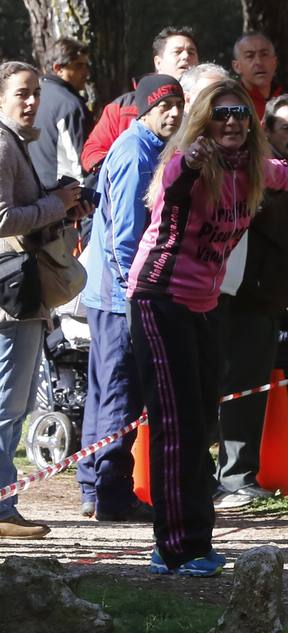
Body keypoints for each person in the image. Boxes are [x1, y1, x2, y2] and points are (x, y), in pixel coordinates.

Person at [125, 79, 288, 576]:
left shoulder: (249, 170)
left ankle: (190, 541)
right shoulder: (188, 165)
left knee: (202, 417)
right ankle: (176, 546)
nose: (233, 122)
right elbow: (174, 179)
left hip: (204, 304)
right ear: (204, 120)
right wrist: (192, 149)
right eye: (222, 113)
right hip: (159, 302)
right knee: (177, 425)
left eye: (241, 115)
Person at [76, 74, 184, 522]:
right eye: (165, 106)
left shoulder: (146, 148)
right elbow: (125, 237)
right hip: (120, 295)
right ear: (144, 110)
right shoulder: (136, 153)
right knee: (120, 394)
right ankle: (111, 494)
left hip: (110, 292)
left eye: (179, 105)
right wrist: (137, 294)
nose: (174, 113)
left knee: (105, 391)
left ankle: (91, 486)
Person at [0, 61, 91, 538]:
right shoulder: (0, 143)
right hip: (10, 299)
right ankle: (1, 510)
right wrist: (56, 204)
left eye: (36, 92)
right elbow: (1, 221)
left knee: (9, 407)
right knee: (7, 407)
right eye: (21, 93)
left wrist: (63, 200)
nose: (32, 101)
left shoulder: (15, 142)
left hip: (19, 295)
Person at [213, 94, 288, 510]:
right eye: (285, 127)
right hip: (241, 298)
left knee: (251, 389)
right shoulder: (251, 170)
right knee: (236, 388)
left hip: (269, 298)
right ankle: (232, 479)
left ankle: (240, 474)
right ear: (266, 130)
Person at [82, 26, 198, 175]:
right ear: (158, 62)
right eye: (177, 52)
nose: (185, 57)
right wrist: (125, 170)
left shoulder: (207, 105)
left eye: (191, 52)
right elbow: (92, 152)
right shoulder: (123, 107)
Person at [29, 37, 92, 186]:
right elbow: (81, 163)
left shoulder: (34, 97)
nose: (86, 72)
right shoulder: (69, 105)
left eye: (86, 66)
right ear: (58, 69)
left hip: (37, 194)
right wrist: (92, 198)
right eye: (78, 66)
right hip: (68, 199)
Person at [232, 33, 280, 122]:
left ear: (274, 62)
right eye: (250, 56)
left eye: (264, 55)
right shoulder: (232, 103)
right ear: (237, 66)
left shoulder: (286, 98)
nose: (259, 62)